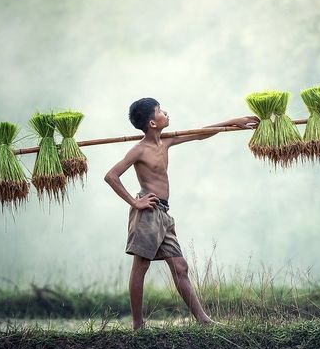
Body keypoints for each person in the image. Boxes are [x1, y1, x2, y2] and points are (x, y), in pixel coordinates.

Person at [104, 97, 258, 330]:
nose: (165, 112)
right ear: (152, 123)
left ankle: (204, 320)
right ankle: (138, 325)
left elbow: (200, 133)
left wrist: (234, 122)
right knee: (142, 264)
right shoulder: (139, 150)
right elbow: (111, 176)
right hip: (148, 212)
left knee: (180, 267)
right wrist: (136, 203)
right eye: (159, 111)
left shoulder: (165, 141)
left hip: (164, 213)